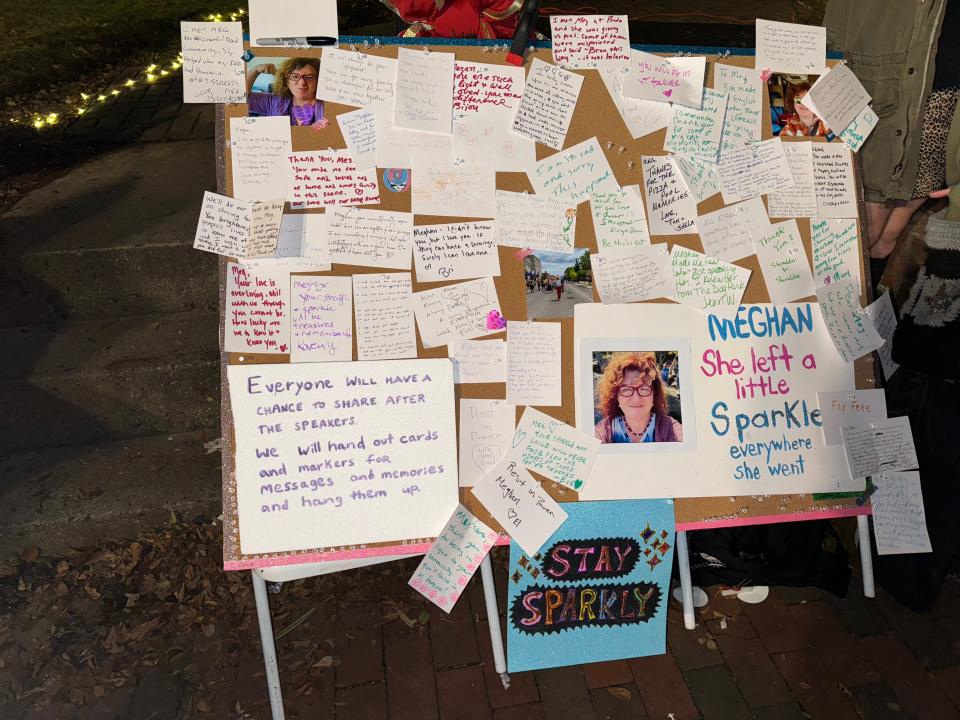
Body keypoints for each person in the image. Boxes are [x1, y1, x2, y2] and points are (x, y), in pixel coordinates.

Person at [878, 96, 960, 611]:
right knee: (903, 434)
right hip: (923, 278)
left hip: (930, 323)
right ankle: (906, 564)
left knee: (924, 441)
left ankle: (910, 567)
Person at [824, 0, 953, 273]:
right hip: (886, 81)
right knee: (863, 235)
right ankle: (845, 306)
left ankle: (857, 308)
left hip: (943, 100)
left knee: (884, 239)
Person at [594, 352, 683, 443]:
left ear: (654, 394)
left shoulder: (670, 429)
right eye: (626, 390)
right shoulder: (602, 431)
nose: (636, 399)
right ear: (616, 396)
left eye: (644, 389)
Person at [246, 57, 329, 129]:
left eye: (309, 77)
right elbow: (242, 100)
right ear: (286, 80)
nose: (302, 83)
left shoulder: (328, 105)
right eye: (295, 76)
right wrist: (254, 70)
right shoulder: (274, 102)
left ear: (318, 81)